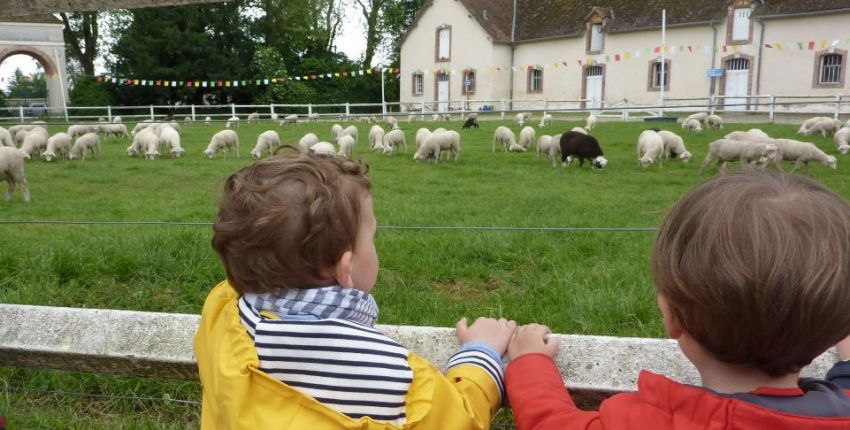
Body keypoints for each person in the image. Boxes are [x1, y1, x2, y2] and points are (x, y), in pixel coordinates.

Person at [194, 151, 516, 429]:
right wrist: (480, 353)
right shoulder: (384, 369)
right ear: (345, 268)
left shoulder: (221, 313)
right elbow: (459, 419)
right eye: (371, 238)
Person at [505, 170, 850, 429]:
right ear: (836, 329)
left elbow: (550, 422)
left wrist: (529, 360)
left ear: (672, 317)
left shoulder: (641, 423)